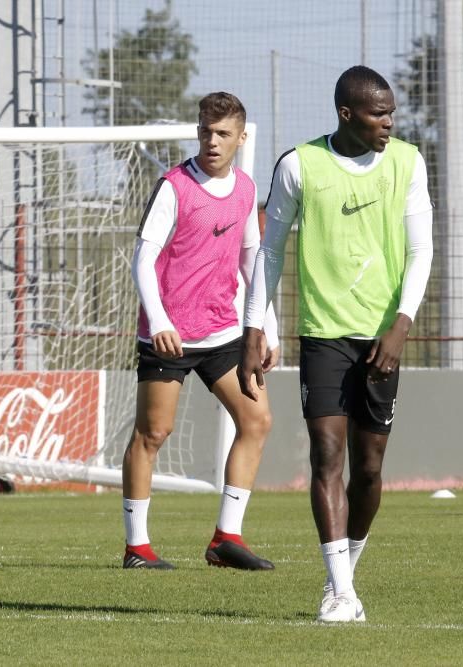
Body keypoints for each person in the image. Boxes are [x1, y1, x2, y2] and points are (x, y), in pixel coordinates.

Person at [239, 66, 433, 623]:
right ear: (346, 114)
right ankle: (341, 591)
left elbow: (421, 251)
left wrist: (401, 324)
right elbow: (269, 251)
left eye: (391, 112)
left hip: (382, 337)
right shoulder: (300, 165)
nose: (388, 123)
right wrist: (256, 328)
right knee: (326, 454)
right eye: (378, 114)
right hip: (324, 334)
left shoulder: (408, 162)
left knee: (368, 469)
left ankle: (344, 569)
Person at [122, 92, 279, 572]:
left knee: (256, 421)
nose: (213, 141)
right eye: (206, 131)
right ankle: (137, 547)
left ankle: (226, 538)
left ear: (241, 137)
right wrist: (161, 319)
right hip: (168, 336)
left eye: (223, 133)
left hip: (222, 334)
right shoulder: (174, 186)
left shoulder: (247, 189)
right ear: (198, 132)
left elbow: (253, 258)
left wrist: (267, 327)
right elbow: (143, 258)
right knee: (153, 433)